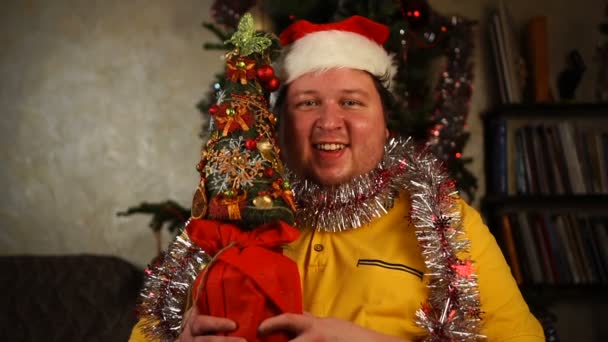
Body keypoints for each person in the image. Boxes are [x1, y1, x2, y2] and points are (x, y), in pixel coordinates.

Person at [131, 15, 544, 342]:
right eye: (308, 103)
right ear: (277, 128)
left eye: (351, 102)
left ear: (385, 125)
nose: (330, 122)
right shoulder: (222, 221)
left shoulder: (446, 221)